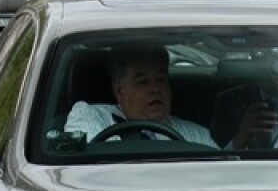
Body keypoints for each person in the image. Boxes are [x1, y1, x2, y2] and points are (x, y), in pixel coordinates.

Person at [63, 44, 217, 147]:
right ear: (120, 91)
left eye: (161, 79)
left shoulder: (197, 135)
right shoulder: (91, 116)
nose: (155, 88)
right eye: (142, 82)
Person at [212, 48, 278, 149]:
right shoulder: (231, 101)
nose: (276, 76)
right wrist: (241, 139)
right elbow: (214, 157)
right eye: (267, 65)